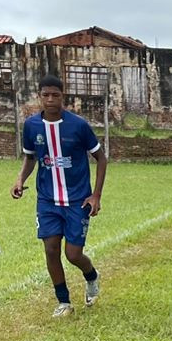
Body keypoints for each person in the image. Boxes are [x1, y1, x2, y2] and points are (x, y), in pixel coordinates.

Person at [13, 75, 106, 317]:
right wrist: (20, 179)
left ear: (63, 97)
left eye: (56, 95)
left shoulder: (78, 125)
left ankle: (92, 276)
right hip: (47, 200)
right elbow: (31, 157)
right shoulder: (32, 126)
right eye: (46, 95)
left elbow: (101, 158)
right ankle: (63, 302)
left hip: (77, 200)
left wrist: (96, 195)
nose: (51, 99)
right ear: (39, 97)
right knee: (51, 249)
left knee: (73, 254)